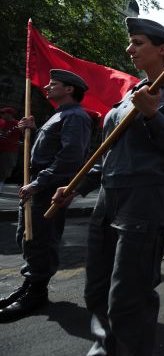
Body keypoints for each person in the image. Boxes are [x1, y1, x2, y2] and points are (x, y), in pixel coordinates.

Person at [52, 18, 164, 355]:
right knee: (97, 286)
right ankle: (105, 345)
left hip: (143, 198)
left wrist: (153, 115)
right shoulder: (128, 96)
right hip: (108, 198)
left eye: (137, 42)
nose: (129, 49)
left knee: (129, 294)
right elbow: (106, 154)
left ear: (161, 49)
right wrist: (76, 185)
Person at [0, 70, 91, 321]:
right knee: (27, 237)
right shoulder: (60, 115)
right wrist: (34, 129)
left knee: (41, 239)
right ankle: (29, 286)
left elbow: (70, 157)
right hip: (37, 185)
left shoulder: (75, 117)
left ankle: (36, 293)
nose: (47, 87)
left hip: (48, 189)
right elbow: (51, 146)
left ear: (70, 89)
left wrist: (38, 184)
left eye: (54, 84)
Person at [0, 107, 21, 194]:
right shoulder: (1, 122)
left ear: (10, 114)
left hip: (9, 151)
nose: (2, 115)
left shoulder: (18, 124)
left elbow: (26, 134)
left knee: (4, 172)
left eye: (4, 113)